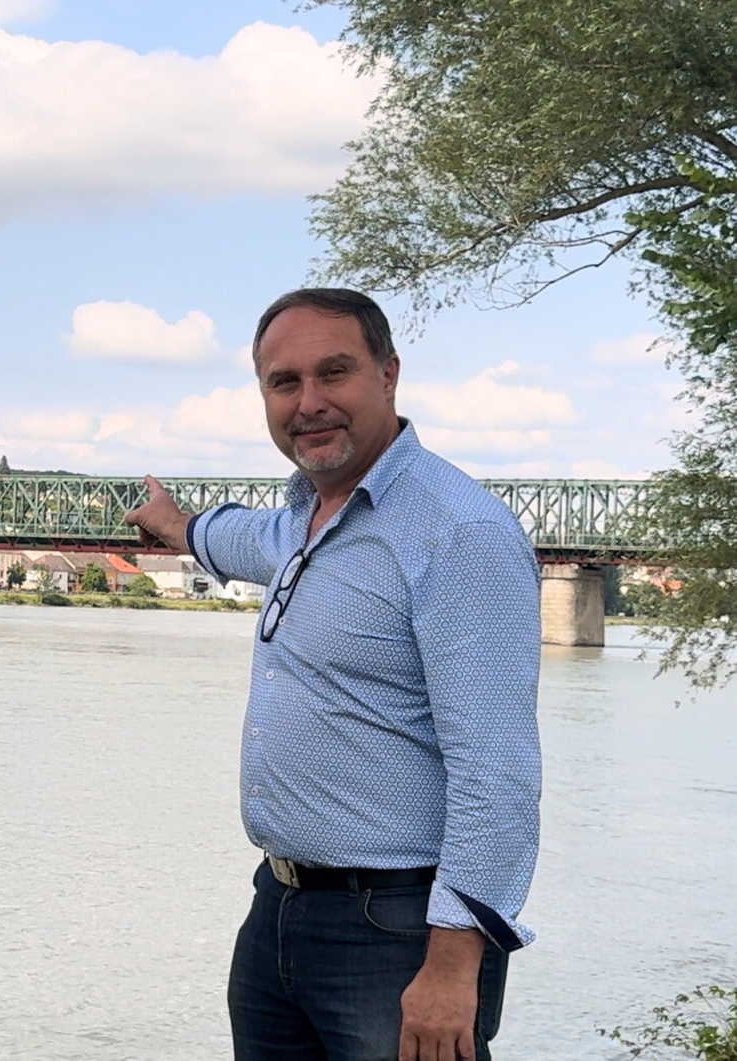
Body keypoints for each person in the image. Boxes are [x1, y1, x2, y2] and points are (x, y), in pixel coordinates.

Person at [124, 288, 541, 1061]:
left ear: (388, 372)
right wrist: (176, 524)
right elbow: (231, 536)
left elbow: (498, 772)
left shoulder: (459, 533)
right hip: (278, 907)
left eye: (334, 373)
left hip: (398, 929)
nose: (309, 402)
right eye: (285, 382)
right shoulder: (300, 523)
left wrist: (453, 966)